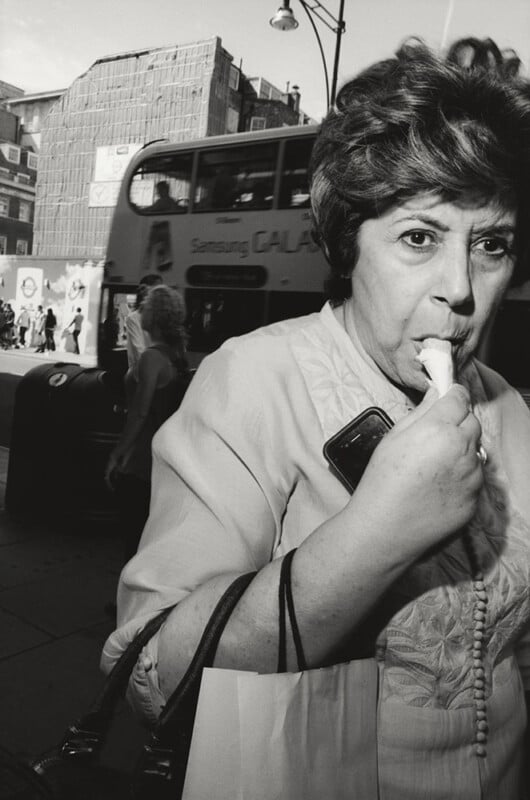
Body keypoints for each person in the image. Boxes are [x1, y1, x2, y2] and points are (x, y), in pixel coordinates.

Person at [102, 38, 530, 797]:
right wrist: (376, 534)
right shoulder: (252, 380)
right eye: (419, 237)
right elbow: (153, 675)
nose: (461, 289)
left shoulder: (512, 410)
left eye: (490, 244)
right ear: (347, 244)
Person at [105, 285, 189, 561]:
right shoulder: (176, 355)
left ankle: (128, 601)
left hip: (142, 457)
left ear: (153, 317)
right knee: (149, 534)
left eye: (146, 307)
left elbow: (140, 412)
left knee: (134, 534)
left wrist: (117, 454)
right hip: (164, 453)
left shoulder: (151, 358)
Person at [125, 273, 163, 377]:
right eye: (157, 290)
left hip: (158, 372)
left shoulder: (160, 316)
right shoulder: (133, 318)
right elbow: (139, 350)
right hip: (141, 374)